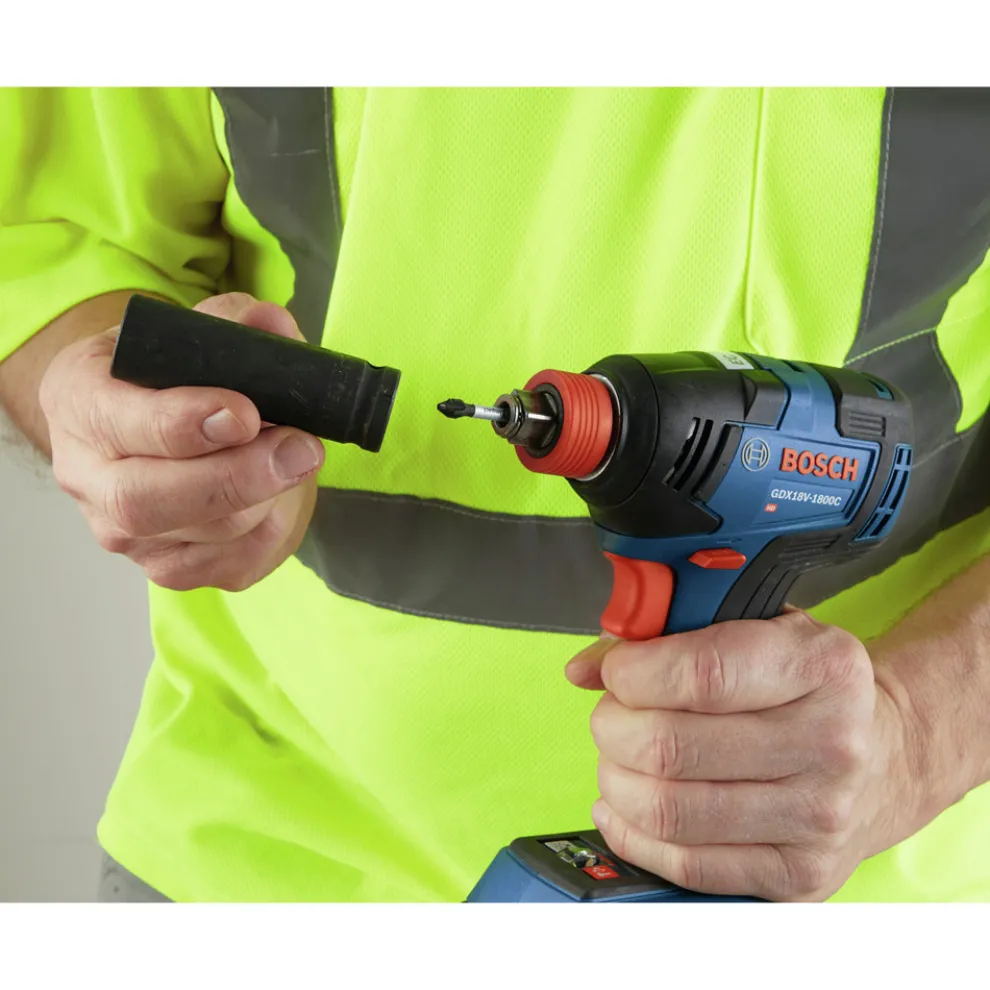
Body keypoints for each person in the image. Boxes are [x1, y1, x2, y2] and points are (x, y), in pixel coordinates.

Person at [1, 86, 988, 903]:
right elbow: (50, 235)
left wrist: (913, 733)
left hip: (860, 897)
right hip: (255, 856)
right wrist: (96, 400)